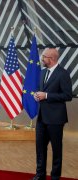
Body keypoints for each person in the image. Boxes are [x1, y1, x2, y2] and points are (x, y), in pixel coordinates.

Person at [33, 48, 72, 180]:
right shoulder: (42, 72)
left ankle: (55, 177)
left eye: (43, 56)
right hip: (41, 118)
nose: (41, 58)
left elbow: (67, 95)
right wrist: (37, 95)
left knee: (56, 150)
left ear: (52, 59)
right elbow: (41, 90)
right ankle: (40, 175)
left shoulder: (63, 74)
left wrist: (47, 95)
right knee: (40, 149)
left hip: (56, 119)